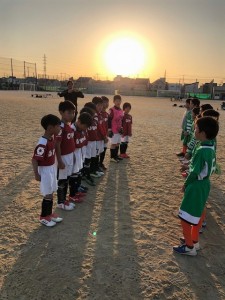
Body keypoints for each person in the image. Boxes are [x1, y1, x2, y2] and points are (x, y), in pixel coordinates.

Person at [173, 116, 219, 256]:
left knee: (185, 216)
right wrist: (189, 164)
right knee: (200, 212)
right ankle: (194, 241)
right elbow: (213, 166)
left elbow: (194, 173)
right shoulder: (210, 146)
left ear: (203, 133)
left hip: (197, 185)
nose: (195, 131)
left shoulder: (200, 150)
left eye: (197, 128)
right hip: (205, 184)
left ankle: (189, 247)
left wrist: (186, 184)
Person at [32, 114, 63, 227]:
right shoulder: (42, 143)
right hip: (45, 171)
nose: (60, 128)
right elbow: (34, 159)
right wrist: (36, 173)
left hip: (51, 168)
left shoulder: (52, 138)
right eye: (58, 126)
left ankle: (49, 214)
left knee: (51, 191)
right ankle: (43, 217)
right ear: (50, 128)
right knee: (48, 194)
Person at [55, 101, 76, 211]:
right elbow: (57, 145)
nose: (72, 115)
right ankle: (60, 202)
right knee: (62, 180)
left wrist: (73, 155)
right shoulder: (60, 127)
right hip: (63, 157)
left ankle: (64, 200)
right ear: (61, 112)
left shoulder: (69, 125)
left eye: (73, 112)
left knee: (66, 178)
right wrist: (59, 160)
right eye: (69, 113)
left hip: (69, 156)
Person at [69, 112, 93, 202]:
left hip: (79, 154)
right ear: (79, 122)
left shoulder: (82, 129)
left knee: (78, 173)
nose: (85, 129)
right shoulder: (72, 130)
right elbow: (75, 144)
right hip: (73, 155)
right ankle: (72, 195)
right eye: (85, 126)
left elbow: (83, 141)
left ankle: (76, 190)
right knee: (74, 175)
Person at [108, 94, 124, 162]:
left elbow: (122, 120)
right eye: (117, 101)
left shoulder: (121, 110)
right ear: (114, 101)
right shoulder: (111, 110)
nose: (118, 102)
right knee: (113, 144)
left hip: (119, 130)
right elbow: (109, 120)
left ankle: (116, 156)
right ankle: (112, 157)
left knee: (117, 143)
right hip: (113, 130)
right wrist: (109, 129)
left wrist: (122, 128)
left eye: (119, 101)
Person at [99, 96, 109, 170]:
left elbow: (107, 125)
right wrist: (103, 136)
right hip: (99, 137)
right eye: (104, 102)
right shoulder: (99, 114)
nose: (106, 104)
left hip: (105, 135)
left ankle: (101, 163)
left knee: (104, 149)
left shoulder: (106, 114)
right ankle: (96, 165)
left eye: (107, 102)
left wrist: (108, 132)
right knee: (98, 151)